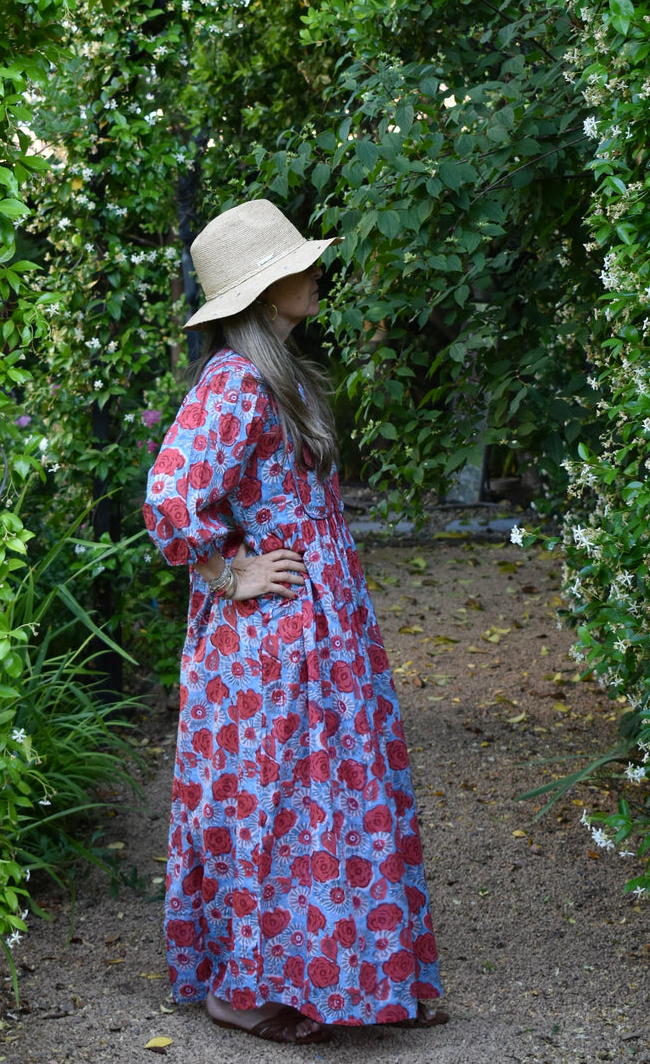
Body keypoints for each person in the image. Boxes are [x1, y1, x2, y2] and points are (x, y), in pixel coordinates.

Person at [143, 199, 446, 1044]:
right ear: (262, 289)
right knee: (274, 805)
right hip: (269, 639)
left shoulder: (280, 374)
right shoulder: (235, 382)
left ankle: (366, 975)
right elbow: (168, 497)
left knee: (334, 795)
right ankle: (241, 991)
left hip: (320, 623)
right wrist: (227, 572)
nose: (314, 272)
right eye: (295, 264)